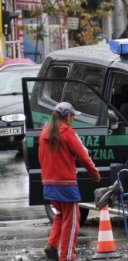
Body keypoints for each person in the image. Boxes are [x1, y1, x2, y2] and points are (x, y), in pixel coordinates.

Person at [39, 102, 101, 260]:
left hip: (48, 183)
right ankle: (67, 256)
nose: (74, 120)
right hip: (65, 184)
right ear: (68, 117)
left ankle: (52, 246)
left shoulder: (45, 132)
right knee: (73, 220)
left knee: (61, 215)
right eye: (73, 117)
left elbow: (41, 158)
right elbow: (83, 156)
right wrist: (94, 173)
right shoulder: (67, 133)